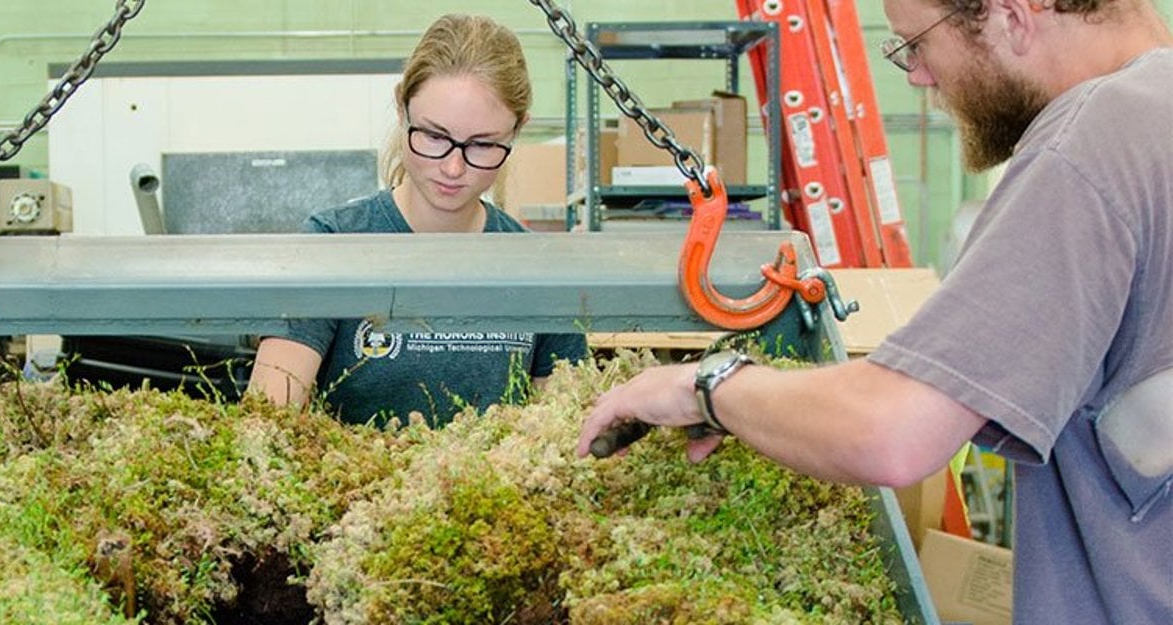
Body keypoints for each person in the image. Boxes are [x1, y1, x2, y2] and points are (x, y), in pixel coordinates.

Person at [577, 0, 1173, 622]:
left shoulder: (1091, 145)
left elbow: (894, 431)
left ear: (1010, 16)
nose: (916, 74)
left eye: (915, 44)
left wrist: (704, 385)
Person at [249, 13, 586, 427]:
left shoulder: (539, 267)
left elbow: (564, 430)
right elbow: (267, 419)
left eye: (482, 144)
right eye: (434, 136)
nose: (453, 168)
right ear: (402, 107)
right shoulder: (334, 243)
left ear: (517, 130)